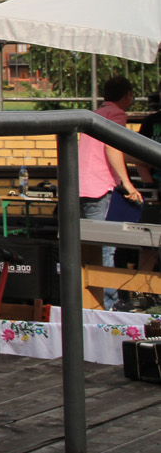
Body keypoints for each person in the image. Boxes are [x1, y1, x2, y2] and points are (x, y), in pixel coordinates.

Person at [78, 75, 144, 310]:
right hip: (99, 187)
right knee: (106, 248)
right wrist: (128, 184)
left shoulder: (96, 114)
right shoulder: (116, 114)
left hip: (81, 187)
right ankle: (107, 305)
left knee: (89, 249)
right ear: (128, 95)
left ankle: (89, 301)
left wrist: (144, 160)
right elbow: (113, 148)